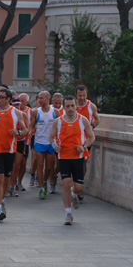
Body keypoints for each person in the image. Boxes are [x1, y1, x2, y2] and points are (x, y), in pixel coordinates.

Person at [49, 95, 95, 226]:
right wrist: (54, 146)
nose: (70, 109)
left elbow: (91, 137)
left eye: (72, 106)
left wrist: (84, 146)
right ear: (64, 107)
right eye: (68, 106)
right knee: (66, 183)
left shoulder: (83, 120)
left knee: (78, 187)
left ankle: (74, 194)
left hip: (78, 157)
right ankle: (68, 213)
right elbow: (51, 137)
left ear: (76, 106)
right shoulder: (58, 121)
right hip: (63, 157)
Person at [0, 88, 27, 221]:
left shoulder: (16, 112)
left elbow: (25, 130)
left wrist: (18, 133)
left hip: (10, 150)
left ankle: (2, 201)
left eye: (1, 97)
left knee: (6, 179)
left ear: (8, 99)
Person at [30, 91, 61, 199]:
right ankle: (41, 188)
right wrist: (28, 133)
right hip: (39, 142)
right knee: (39, 165)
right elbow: (32, 126)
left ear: (48, 99)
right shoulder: (35, 112)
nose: (39, 100)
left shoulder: (55, 112)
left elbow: (61, 128)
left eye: (41, 98)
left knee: (49, 167)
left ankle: (44, 181)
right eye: (38, 98)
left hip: (51, 143)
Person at [75, 85, 100, 184]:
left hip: (86, 139)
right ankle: (75, 183)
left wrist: (92, 126)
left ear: (87, 94)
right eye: (80, 96)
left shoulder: (91, 106)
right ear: (76, 95)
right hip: (74, 137)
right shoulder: (72, 105)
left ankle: (79, 182)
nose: (82, 98)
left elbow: (97, 119)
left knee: (83, 161)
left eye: (84, 95)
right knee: (74, 162)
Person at [7, 96, 29, 197]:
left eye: (19, 104)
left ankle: (12, 186)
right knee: (9, 166)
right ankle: (7, 186)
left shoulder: (23, 115)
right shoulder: (8, 114)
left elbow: (27, 130)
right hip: (9, 141)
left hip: (20, 141)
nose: (17, 106)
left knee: (16, 165)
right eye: (15, 104)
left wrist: (18, 132)